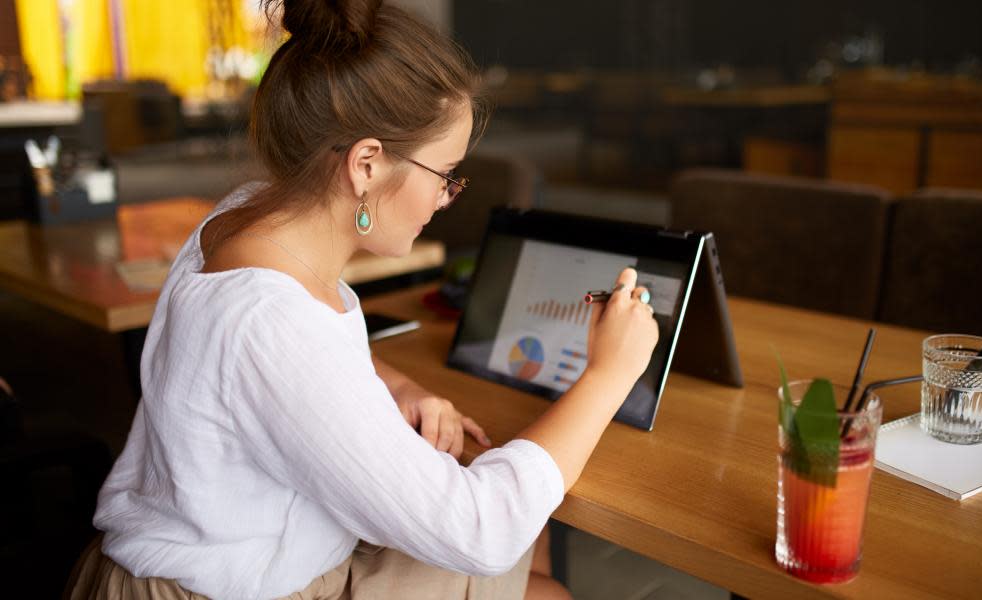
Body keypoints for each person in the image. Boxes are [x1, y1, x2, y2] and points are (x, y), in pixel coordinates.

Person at [66, 1, 659, 599]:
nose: (445, 199)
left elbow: (287, 355)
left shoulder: (246, 218)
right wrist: (609, 373)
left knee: (533, 542)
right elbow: (481, 530)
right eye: (446, 175)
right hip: (219, 587)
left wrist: (396, 384)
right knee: (539, 582)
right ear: (366, 163)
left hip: (250, 549)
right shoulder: (273, 321)